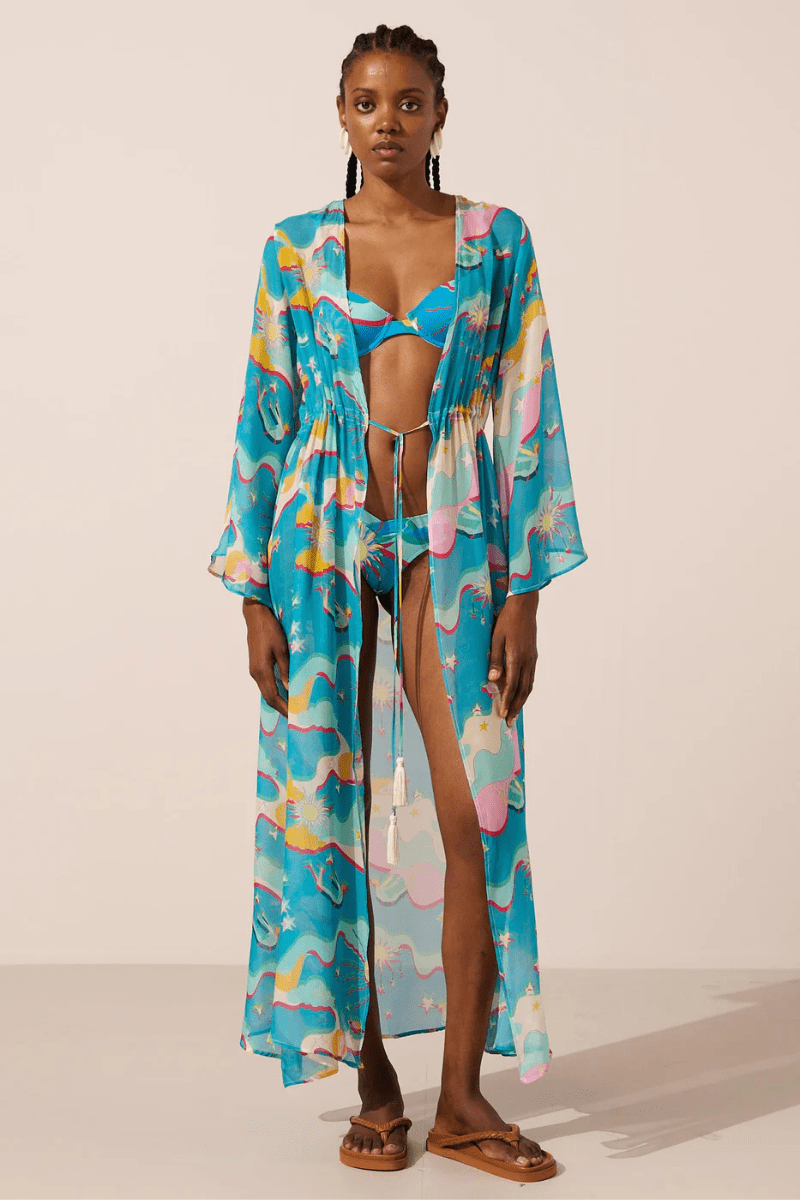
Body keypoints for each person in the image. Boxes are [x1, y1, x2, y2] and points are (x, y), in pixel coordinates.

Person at [208, 22, 587, 1185]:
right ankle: (373, 1080)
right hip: (319, 538)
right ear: (341, 113)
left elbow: (529, 401)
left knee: (475, 807)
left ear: (438, 113)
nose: (387, 121)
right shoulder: (295, 248)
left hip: (456, 541)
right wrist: (253, 593)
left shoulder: (493, 240)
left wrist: (525, 589)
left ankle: (462, 1099)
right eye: (367, 102)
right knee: (332, 807)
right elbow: (266, 410)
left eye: (408, 101)